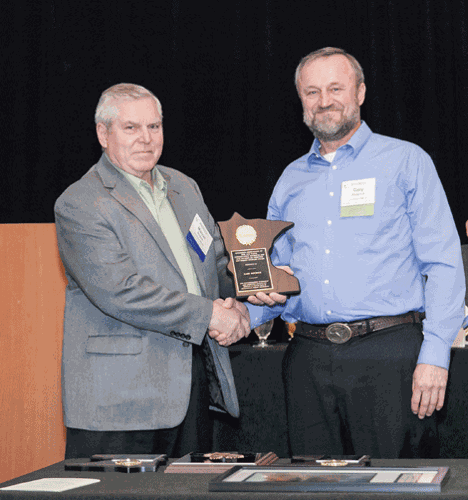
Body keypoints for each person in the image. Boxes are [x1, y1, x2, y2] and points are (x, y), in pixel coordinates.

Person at [245, 47, 465, 458]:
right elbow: (278, 273)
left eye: (335, 88)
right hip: (306, 359)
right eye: (312, 91)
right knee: (313, 486)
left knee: (394, 486)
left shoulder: (406, 161)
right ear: (301, 100)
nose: (324, 100)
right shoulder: (290, 179)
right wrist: (244, 313)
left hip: (389, 356)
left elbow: (444, 262)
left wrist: (435, 353)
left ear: (360, 93)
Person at [55, 83, 250, 459]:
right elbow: (121, 291)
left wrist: (253, 288)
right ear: (103, 133)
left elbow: (215, 264)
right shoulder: (80, 202)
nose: (146, 138)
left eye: (154, 127)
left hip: (189, 390)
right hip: (119, 402)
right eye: (131, 128)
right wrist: (211, 314)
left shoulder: (184, 187)